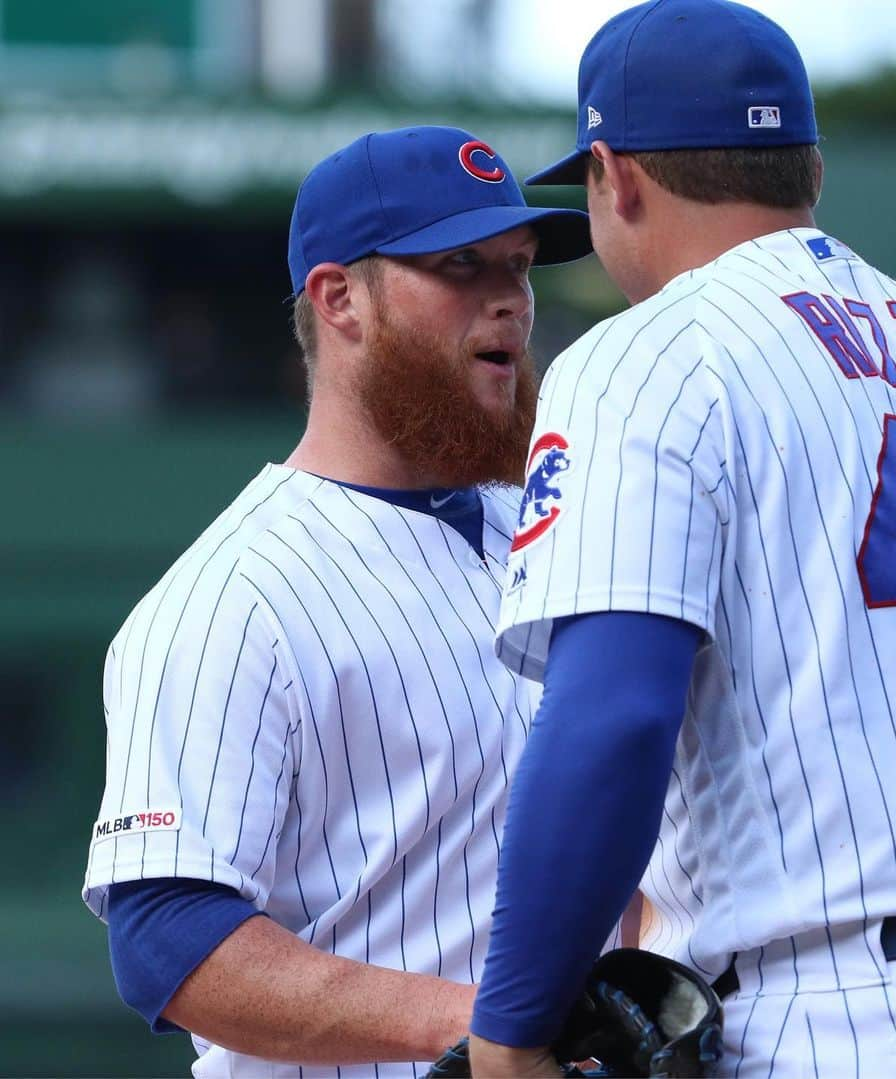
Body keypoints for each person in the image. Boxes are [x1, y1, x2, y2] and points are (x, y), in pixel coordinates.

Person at [466, 2, 896, 1076]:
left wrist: (511, 1028)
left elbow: (612, 715)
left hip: (842, 1017)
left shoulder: (648, 356)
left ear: (613, 176)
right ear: (812, 174)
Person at [80, 124, 592, 1078]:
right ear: (340, 297)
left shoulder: (551, 523)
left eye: (517, 268)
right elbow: (169, 940)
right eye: (460, 265)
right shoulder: (232, 598)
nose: (509, 302)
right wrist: (489, 1022)